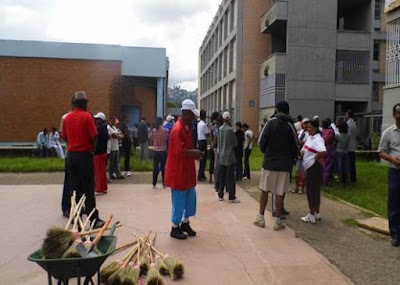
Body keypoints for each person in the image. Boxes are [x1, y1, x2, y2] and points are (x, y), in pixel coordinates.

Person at [61, 91, 104, 228]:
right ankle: (93, 219)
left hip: (71, 156)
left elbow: (64, 136)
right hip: (84, 155)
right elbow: (94, 135)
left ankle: (77, 219)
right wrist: (92, 149)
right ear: (84, 103)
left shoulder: (67, 118)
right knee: (88, 188)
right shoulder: (87, 117)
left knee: (75, 189)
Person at [253, 101, 298, 230]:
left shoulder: (270, 122)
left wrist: (267, 152)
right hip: (284, 165)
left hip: (270, 162)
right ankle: (278, 221)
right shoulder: (290, 126)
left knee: (265, 190)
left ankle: (260, 218)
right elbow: (296, 145)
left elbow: (261, 141)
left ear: (277, 110)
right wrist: (291, 159)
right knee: (279, 193)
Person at [165, 99, 203, 240]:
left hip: (186, 170)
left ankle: (185, 222)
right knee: (179, 200)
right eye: (192, 115)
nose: (193, 118)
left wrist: (195, 153)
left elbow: (188, 149)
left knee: (190, 198)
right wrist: (195, 153)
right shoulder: (177, 130)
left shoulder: (187, 127)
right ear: (185, 113)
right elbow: (180, 151)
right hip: (178, 171)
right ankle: (175, 227)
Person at [378, 103, 400, 247]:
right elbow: (381, 151)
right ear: (394, 115)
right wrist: (392, 159)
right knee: (394, 203)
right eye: (398, 112)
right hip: (395, 172)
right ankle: (395, 234)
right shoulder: (388, 132)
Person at [300, 119, 327, 224]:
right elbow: (304, 149)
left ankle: (311, 214)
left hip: (313, 167)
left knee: (312, 191)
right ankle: (316, 212)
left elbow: (323, 151)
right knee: (315, 190)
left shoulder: (318, 139)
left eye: (310, 127)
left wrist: (316, 157)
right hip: (309, 166)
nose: (308, 129)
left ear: (315, 128)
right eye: (308, 127)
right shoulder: (310, 138)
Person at [218, 111, 239, 203]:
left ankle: (220, 194)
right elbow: (235, 143)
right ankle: (231, 196)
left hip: (221, 154)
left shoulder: (220, 129)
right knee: (230, 177)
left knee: (222, 175)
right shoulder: (230, 130)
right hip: (229, 155)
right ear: (229, 119)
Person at [292, 118, 309, 194]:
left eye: (306, 124)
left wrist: (300, 142)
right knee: (297, 171)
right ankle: (296, 188)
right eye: (303, 123)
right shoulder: (299, 132)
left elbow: (306, 143)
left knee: (304, 172)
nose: (304, 125)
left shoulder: (309, 134)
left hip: (305, 154)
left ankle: (302, 189)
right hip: (299, 154)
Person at [150, 117, 169, 188]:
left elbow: (151, 139)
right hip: (163, 150)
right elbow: (166, 138)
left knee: (155, 167)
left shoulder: (153, 131)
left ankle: (154, 182)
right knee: (163, 166)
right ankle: (164, 182)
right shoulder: (165, 131)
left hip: (155, 150)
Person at [94, 112, 109, 194]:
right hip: (104, 151)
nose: (96, 121)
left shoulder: (99, 129)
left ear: (101, 120)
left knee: (98, 171)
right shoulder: (105, 128)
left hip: (99, 152)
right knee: (102, 171)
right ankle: (103, 187)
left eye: (97, 119)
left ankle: (99, 188)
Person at [335, 121, 350, 187]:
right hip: (346, 152)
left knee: (339, 167)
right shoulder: (348, 136)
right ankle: (346, 181)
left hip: (339, 151)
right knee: (346, 167)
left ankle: (340, 181)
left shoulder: (337, 135)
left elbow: (335, 142)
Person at [321, 118, 335, 186]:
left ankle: (321, 180)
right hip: (329, 150)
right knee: (327, 166)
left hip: (321, 150)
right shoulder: (330, 132)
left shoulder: (321, 131)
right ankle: (325, 181)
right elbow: (332, 139)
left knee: (322, 165)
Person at [197, 110, 209, 181]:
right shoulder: (204, 124)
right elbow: (207, 134)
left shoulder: (199, 123)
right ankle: (200, 175)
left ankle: (202, 174)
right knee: (203, 159)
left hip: (199, 141)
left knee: (201, 159)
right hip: (203, 141)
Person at [346, 109, 357, 182]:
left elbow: (348, 135)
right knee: (352, 163)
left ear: (348, 115)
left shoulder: (349, 124)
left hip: (349, 146)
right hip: (353, 145)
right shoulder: (354, 123)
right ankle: (353, 177)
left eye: (346, 114)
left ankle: (351, 178)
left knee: (349, 163)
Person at [209, 111, 220, 184]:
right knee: (216, 163)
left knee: (211, 162)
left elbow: (210, 137)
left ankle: (210, 178)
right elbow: (216, 137)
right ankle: (216, 180)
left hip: (211, 145)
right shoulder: (216, 126)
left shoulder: (211, 126)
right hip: (216, 146)